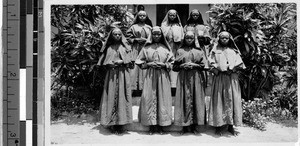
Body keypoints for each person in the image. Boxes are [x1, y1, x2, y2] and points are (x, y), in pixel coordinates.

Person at [135, 26, 174, 135]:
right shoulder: (146, 48)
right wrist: (148, 64)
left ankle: (162, 125)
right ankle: (152, 125)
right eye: (155, 34)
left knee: (163, 98)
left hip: (163, 75)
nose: (157, 36)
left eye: (159, 34)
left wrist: (164, 64)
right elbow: (139, 62)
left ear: (162, 35)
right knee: (149, 98)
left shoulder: (166, 48)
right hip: (150, 75)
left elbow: (172, 63)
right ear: (151, 35)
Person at [207, 31, 246, 136]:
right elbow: (209, 64)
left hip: (231, 79)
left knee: (231, 100)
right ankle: (218, 126)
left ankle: (230, 126)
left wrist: (233, 69)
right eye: (222, 38)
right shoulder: (215, 51)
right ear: (219, 39)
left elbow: (240, 64)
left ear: (230, 39)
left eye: (226, 38)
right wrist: (217, 69)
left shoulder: (233, 51)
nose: (224, 40)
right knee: (219, 101)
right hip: (219, 78)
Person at [97, 27, 134, 135]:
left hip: (123, 75)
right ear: (112, 36)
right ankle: (112, 123)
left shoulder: (125, 47)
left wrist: (123, 61)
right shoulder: (108, 48)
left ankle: (121, 123)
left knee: (122, 97)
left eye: (119, 34)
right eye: (115, 34)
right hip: (111, 76)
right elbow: (102, 62)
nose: (117, 36)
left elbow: (131, 62)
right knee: (111, 96)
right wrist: (108, 64)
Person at [173, 31, 208, 135]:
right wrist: (182, 66)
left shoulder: (199, 51)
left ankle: (194, 126)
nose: (189, 40)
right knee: (184, 100)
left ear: (194, 39)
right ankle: (184, 126)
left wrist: (195, 65)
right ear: (184, 39)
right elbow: (174, 67)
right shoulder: (180, 50)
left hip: (196, 77)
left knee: (195, 99)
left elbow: (203, 66)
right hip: (183, 78)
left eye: (191, 38)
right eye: (187, 38)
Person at [126, 10, 152, 90]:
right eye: (140, 15)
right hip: (136, 48)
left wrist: (146, 40)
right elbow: (128, 37)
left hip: (145, 48)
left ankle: (143, 88)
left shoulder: (149, 27)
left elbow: (152, 38)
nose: (142, 17)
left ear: (146, 17)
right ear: (137, 16)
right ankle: (133, 87)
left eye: (144, 15)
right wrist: (135, 39)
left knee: (144, 66)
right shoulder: (133, 27)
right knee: (135, 67)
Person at [161, 9, 184, 88]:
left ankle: (174, 85)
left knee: (175, 64)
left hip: (176, 48)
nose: (172, 17)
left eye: (174, 15)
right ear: (168, 15)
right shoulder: (164, 25)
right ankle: (166, 84)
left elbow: (182, 38)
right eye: (170, 15)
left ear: (176, 16)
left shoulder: (178, 26)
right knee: (167, 64)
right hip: (166, 48)